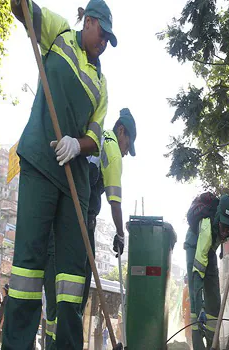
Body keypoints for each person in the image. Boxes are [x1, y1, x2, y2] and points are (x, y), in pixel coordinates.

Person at [3, 0, 116, 348]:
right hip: (40, 161)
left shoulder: (101, 84)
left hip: (74, 184)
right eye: (103, 35)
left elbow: (96, 138)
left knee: (71, 279)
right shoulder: (60, 34)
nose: (103, 44)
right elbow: (20, 10)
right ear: (90, 22)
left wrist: (75, 144)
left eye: (109, 40)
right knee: (28, 267)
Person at [43, 109, 136, 348]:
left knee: (58, 286)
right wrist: (120, 234)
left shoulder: (98, 137)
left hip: (64, 215)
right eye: (129, 144)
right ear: (121, 131)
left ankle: (55, 343)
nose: (126, 152)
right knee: (78, 288)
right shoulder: (113, 150)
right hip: (82, 218)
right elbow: (115, 201)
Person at [184, 193, 229, 350]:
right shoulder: (207, 229)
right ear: (217, 219)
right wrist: (200, 308)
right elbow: (198, 271)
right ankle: (199, 346)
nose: (225, 230)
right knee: (196, 304)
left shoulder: (225, 227)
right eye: (223, 226)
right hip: (195, 246)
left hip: (210, 251)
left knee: (214, 302)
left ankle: (213, 345)